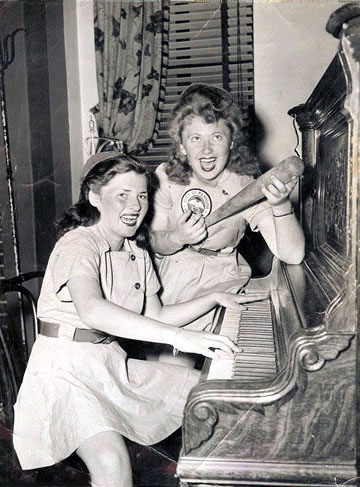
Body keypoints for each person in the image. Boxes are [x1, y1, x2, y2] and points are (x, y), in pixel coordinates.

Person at [12, 152, 264, 487]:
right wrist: (181, 338)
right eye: (122, 195)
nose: (135, 206)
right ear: (94, 196)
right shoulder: (78, 244)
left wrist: (213, 297)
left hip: (108, 366)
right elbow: (92, 309)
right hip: (64, 374)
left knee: (208, 391)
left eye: (142, 195)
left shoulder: (135, 249)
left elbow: (155, 313)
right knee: (111, 461)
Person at [150, 83, 305, 364]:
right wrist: (177, 238)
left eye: (217, 136)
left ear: (232, 141)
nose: (206, 149)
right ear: (182, 145)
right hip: (169, 284)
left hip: (222, 282)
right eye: (195, 138)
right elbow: (152, 240)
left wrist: (280, 205)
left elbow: (292, 253)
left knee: (226, 366)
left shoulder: (246, 184)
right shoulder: (167, 178)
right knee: (172, 369)